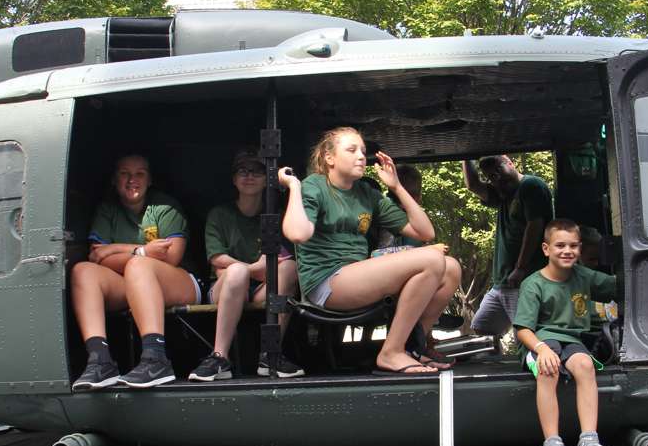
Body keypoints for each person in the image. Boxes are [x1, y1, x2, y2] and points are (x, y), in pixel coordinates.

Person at [280, 127, 461, 374]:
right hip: (327, 284)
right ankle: (391, 352)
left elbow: (425, 232)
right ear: (329, 158)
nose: (362, 157)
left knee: (450, 267)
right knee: (432, 259)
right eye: (352, 150)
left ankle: (413, 348)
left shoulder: (367, 194)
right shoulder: (315, 186)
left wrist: (396, 187)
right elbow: (297, 234)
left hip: (356, 276)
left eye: (364, 152)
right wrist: (294, 187)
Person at [71, 154, 201, 390]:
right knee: (83, 271)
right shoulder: (107, 210)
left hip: (181, 282)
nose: (133, 179)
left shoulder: (164, 206)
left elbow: (171, 257)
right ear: (114, 179)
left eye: (140, 173)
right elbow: (97, 257)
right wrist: (142, 250)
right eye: (125, 173)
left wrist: (116, 251)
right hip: (135, 282)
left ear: (149, 179)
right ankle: (100, 360)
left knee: (137, 266)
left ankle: (156, 359)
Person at [190, 151, 304, 381]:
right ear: (234, 179)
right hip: (225, 289)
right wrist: (252, 269)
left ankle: (270, 354)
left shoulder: (277, 216)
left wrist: (259, 269)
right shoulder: (219, 214)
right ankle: (220, 357)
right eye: (243, 170)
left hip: (263, 290)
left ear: (266, 179)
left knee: (289, 269)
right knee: (236, 273)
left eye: (257, 171)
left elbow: (281, 262)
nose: (249, 176)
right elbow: (217, 259)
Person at [513, 219, 617, 446]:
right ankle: (552, 443)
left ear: (580, 249)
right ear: (546, 249)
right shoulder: (533, 284)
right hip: (540, 340)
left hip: (573, 340)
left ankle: (589, 440)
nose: (567, 251)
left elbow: (619, 285)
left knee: (585, 365)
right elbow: (522, 330)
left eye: (573, 246)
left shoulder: (583, 276)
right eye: (560, 245)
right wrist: (541, 349)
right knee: (548, 370)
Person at [462, 154, 553, 337]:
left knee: (527, 334)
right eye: (491, 176)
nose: (497, 178)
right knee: (483, 327)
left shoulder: (530, 186)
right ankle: (496, 364)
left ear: (510, 163)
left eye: (499, 170)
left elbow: (535, 226)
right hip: (502, 282)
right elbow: (473, 185)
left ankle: (536, 363)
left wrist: (520, 267)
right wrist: (466, 155)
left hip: (524, 279)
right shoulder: (503, 194)